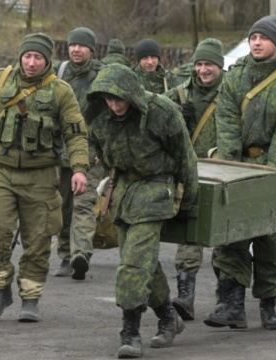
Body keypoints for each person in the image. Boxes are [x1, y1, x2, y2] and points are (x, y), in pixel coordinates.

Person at [0, 33, 89, 322]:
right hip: (1, 173)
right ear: (21, 56)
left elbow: (76, 133)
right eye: (27, 56)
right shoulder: (0, 81)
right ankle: (0, 289)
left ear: (47, 60)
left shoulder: (61, 91)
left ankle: (30, 298)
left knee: (38, 241)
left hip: (42, 177)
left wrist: (80, 168)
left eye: (38, 57)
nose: (31, 62)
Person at [204, 15, 276, 330]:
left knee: (274, 240)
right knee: (232, 236)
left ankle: (268, 307)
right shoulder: (235, 78)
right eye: (253, 38)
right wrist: (232, 165)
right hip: (238, 170)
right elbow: (225, 120)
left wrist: (269, 174)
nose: (257, 42)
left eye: (263, 38)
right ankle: (234, 306)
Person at [86, 63, 198, 358]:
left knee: (134, 264)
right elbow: (100, 150)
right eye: (109, 98)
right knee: (141, 261)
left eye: (120, 98)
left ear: (133, 93)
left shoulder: (161, 112)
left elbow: (186, 160)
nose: (115, 104)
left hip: (156, 191)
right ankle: (167, 316)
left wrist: (187, 203)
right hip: (123, 193)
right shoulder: (100, 116)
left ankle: (130, 332)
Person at [164, 38, 225, 320]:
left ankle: (227, 300)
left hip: (224, 173)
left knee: (226, 239)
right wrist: (178, 116)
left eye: (209, 64)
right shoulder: (179, 94)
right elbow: (157, 121)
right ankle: (185, 297)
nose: (203, 69)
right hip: (190, 173)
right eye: (199, 64)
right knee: (190, 235)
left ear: (220, 66)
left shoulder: (231, 93)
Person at [52, 27, 104, 280]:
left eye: (82, 46)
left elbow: (110, 117)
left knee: (84, 205)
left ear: (91, 50)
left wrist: (104, 151)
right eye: (73, 45)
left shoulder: (102, 77)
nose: (76, 49)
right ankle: (64, 255)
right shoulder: (57, 72)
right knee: (63, 207)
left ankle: (80, 254)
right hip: (60, 153)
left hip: (91, 154)